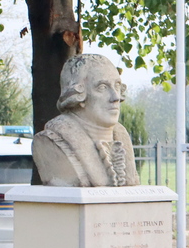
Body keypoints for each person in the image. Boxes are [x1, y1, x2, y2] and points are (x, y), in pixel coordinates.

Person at [33, 54, 140, 187]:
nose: (115, 97)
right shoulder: (50, 142)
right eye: (102, 87)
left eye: (117, 86)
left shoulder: (121, 136)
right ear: (78, 94)